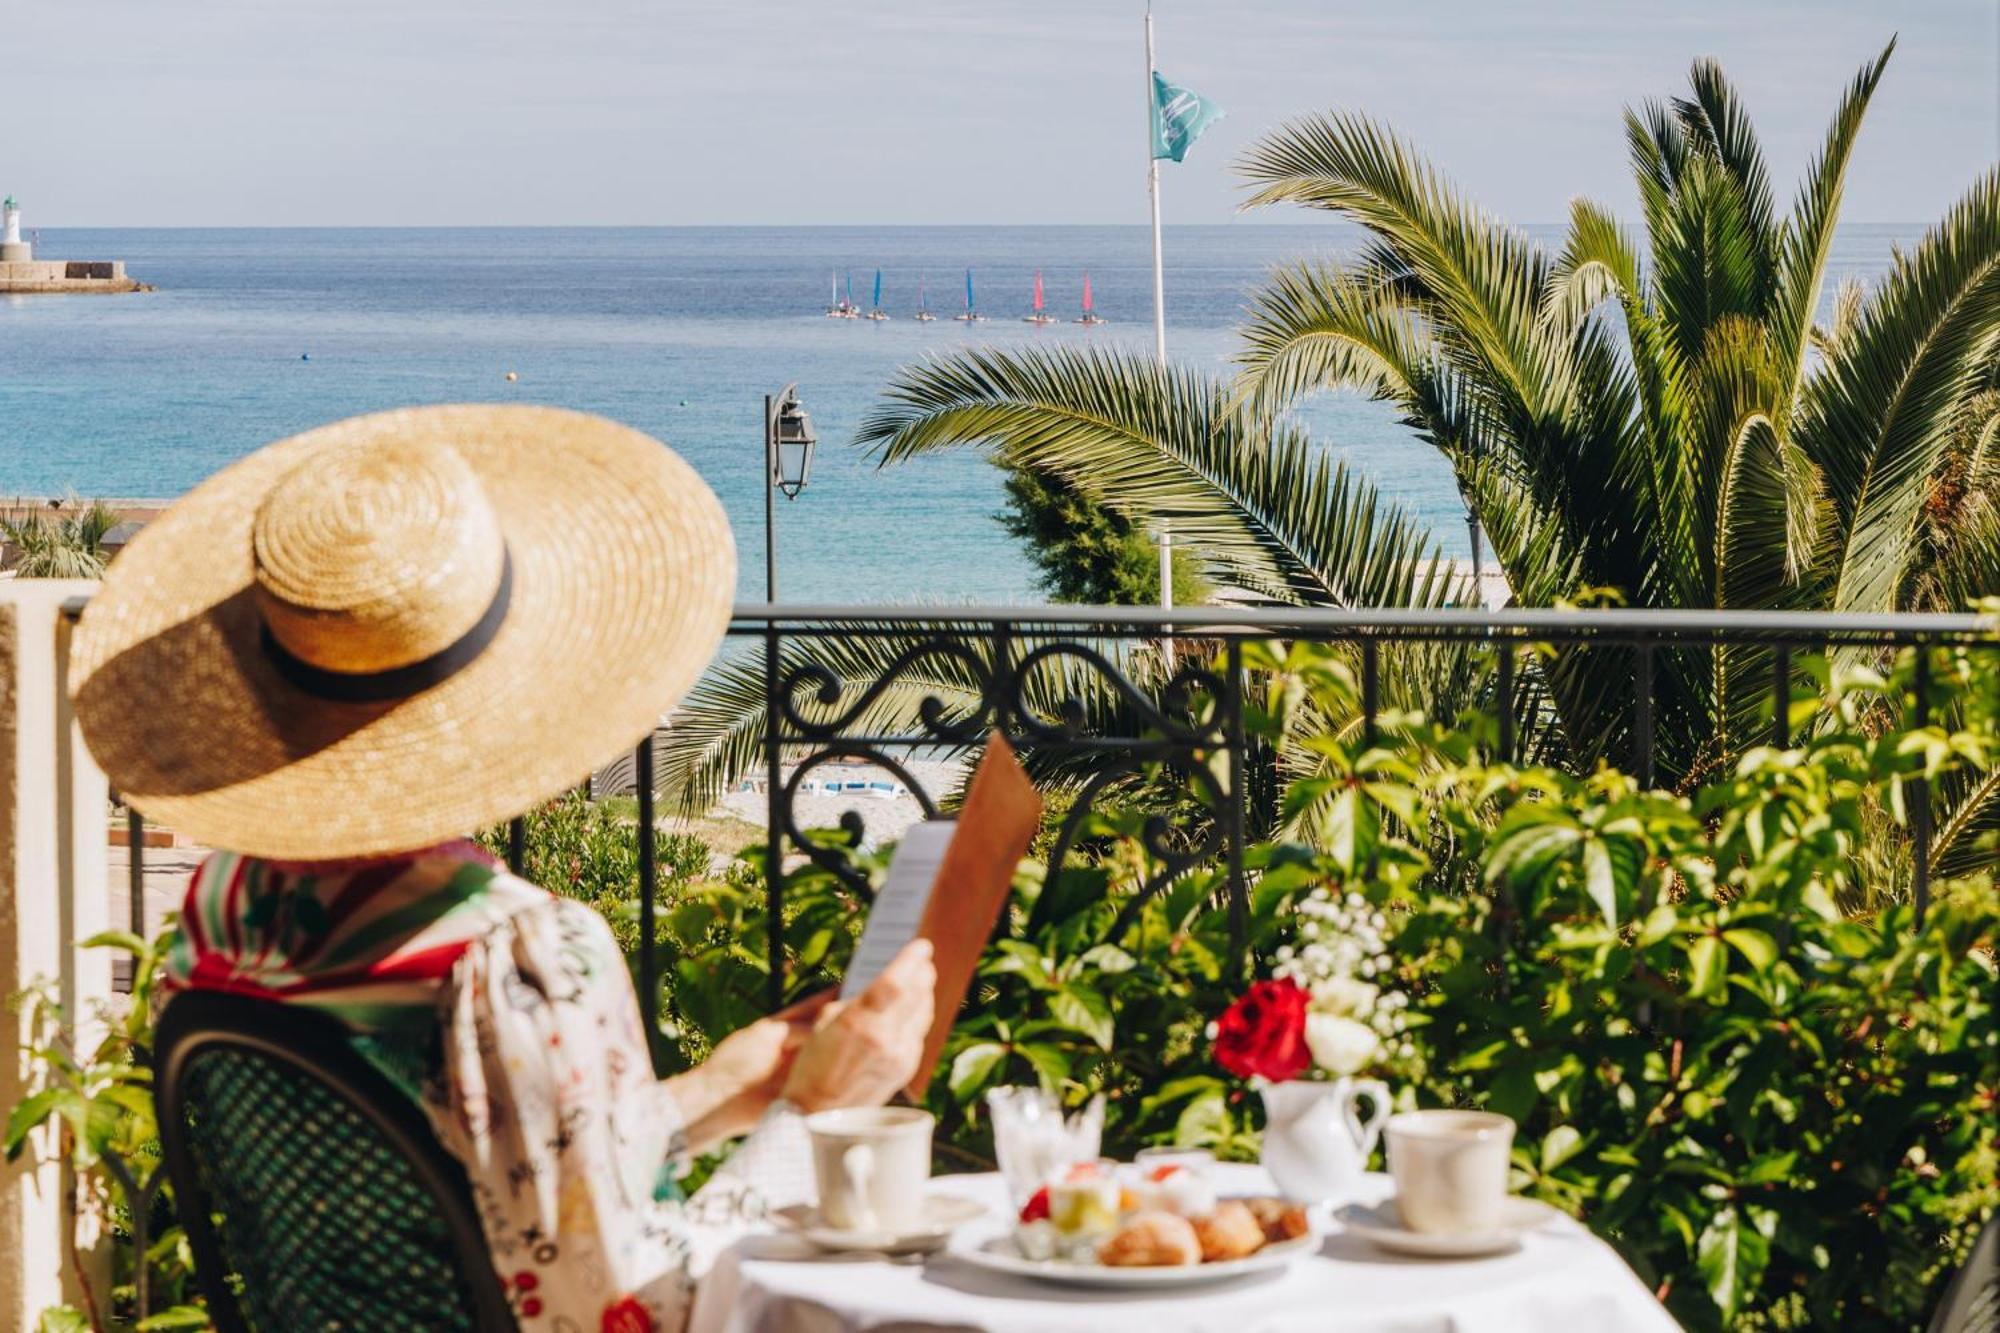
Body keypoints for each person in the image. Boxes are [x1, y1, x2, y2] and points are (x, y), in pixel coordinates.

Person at [69, 405, 937, 1333]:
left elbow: (493, 1178)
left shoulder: (225, 907)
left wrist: (722, 1090)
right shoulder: (516, 959)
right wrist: (809, 1115)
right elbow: (639, 1310)